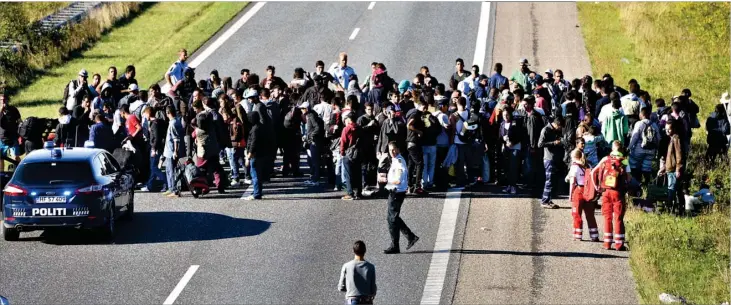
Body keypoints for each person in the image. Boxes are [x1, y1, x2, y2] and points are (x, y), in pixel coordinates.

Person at [591, 140, 631, 250]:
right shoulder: (625, 161)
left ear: (612, 149)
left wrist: (596, 187)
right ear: (621, 149)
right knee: (618, 218)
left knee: (607, 218)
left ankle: (607, 243)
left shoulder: (605, 159)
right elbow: (629, 178)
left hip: (605, 192)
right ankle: (619, 244)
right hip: (618, 192)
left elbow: (593, 172)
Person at [384, 141, 419, 254]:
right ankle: (407, 238)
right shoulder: (395, 160)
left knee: (392, 219)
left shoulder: (399, 162)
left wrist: (386, 180)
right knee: (392, 218)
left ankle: (399, 243)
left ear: (398, 149)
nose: (392, 152)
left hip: (396, 192)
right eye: (390, 150)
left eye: (394, 149)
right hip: (394, 191)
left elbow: (398, 180)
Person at [567, 149, 598, 242]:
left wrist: (570, 195)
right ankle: (594, 235)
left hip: (579, 190)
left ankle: (578, 235)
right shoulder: (588, 165)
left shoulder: (574, 167)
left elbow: (572, 182)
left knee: (576, 214)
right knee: (590, 214)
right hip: (588, 191)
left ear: (574, 157)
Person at [658, 119, 686, 216]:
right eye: (666, 129)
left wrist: (678, 169)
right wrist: (663, 168)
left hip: (674, 170)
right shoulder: (670, 138)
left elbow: (679, 155)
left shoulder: (676, 138)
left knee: (671, 190)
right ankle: (679, 210)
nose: (667, 131)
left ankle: (669, 210)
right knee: (676, 190)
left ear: (674, 129)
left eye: (669, 129)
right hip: (669, 169)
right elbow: (670, 157)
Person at [338, 240, 377, 305]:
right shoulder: (371, 267)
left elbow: (341, 287)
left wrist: (350, 289)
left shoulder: (346, 266)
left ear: (353, 251)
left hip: (352, 300)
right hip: (366, 300)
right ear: (365, 251)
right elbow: (372, 289)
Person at [628, 107, 660, 185]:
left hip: (639, 149)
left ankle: (636, 183)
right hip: (651, 150)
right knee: (647, 167)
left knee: (635, 165)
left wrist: (629, 147)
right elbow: (658, 138)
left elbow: (635, 137)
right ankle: (646, 184)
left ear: (642, 114)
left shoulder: (639, 123)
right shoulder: (654, 125)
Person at [538, 117, 564, 209]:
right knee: (549, 181)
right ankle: (544, 201)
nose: (561, 129)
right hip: (549, 159)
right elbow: (540, 144)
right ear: (556, 124)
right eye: (560, 127)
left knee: (552, 181)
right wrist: (553, 143)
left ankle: (548, 199)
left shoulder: (554, 131)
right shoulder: (546, 130)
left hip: (554, 158)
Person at [142, 107, 167, 192]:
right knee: (153, 167)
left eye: (145, 114)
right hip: (157, 147)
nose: (145, 117)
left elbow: (156, 137)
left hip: (155, 148)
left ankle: (167, 182)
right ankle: (150, 186)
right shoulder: (157, 122)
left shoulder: (154, 124)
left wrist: (153, 148)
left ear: (148, 114)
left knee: (154, 167)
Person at [163, 106, 185, 197]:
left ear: (168, 113)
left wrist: (175, 151)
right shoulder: (176, 121)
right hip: (168, 150)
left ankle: (174, 190)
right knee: (168, 170)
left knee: (172, 171)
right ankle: (170, 187)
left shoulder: (173, 124)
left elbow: (176, 139)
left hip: (171, 151)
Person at [500, 108, 523, 194]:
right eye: (503, 115)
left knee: (513, 167)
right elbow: (500, 136)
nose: (505, 117)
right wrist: (503, 140)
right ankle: (509, 185)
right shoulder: (502, 124)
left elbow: (519, 135)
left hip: (515, 147)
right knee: (507, 168)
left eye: (507, 115)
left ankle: (514, 186)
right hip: (506, 148)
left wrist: (513, 143)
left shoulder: (515, 123)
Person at [340, 113, 362, 200]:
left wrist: (342, 152)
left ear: (349, 119)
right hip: (358, 152)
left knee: (348, 174)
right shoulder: (359, 128)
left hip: (348, 153)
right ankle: (358, 193)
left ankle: (350, 193)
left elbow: (343, 141)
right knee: (358, 173)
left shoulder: (346, 129)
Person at [244, 110, 265, 200]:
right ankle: (257, 191)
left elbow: (253, 143)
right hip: (259, 153)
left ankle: (257, 193)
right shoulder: (259, 127)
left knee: (255, 174)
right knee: (257, 174)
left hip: (254, 154)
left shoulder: (255, 129)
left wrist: (249, 155)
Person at [302, 102, 325, 186]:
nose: (301, 110)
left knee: (315, 161)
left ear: (306, 109)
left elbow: (317, 127)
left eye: (302, 108)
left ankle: (316, 179)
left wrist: (310, 135)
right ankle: (314, 178)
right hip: (313, 140)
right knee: (313, 160)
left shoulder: (311, 116)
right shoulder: (311, 115)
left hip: (314, 141)